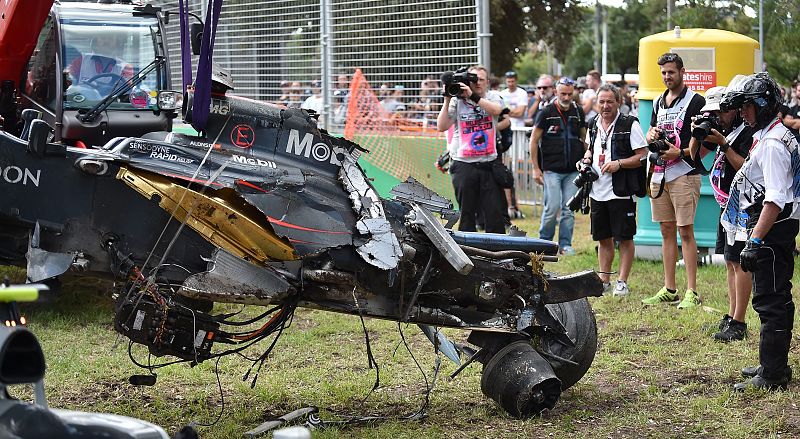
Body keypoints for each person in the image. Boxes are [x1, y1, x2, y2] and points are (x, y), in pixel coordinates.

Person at [719, 72, 800, 391]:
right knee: (777, 296)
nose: (742, 113)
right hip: (777, 225)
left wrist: (754, 240)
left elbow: (776, 197)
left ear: (764, 105)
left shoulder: (772, 144)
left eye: (748, 106)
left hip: (772, 227)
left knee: (770, 298)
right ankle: (773, 362)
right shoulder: (773, 134)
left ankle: (773, 373)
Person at [689, 82, 754, 341]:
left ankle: (739, 321)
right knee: (729, 261)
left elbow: (747, 171)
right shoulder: (721, 130)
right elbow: (692, 157)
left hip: (743, 207)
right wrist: (697, 133)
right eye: (713, 112)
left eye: (722, 110)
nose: (717, 116)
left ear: (736, 110)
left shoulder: (746, 133)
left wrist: (725, 145)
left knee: (740, 263)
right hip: (726, 206)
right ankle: (731, 316)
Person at [640, 53, 706, 309]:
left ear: (682, 72)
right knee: (666, 230)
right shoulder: (658, 101)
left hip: (684, 173)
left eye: (671, 72)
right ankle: (669, 288)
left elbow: (707, 140)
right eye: (664, 73)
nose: (667, 77)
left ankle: (692, 291)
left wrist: (682, 153)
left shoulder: (696, 101)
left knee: (685, 231)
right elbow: (650, 132)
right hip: (660, 172)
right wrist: (650, 134)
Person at [578, 84, 647, 296]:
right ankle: (603, 280)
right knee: (603, 237)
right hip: (597, 190)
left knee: (624, 238)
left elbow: (643, 155)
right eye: (602, 102)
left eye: (610, 101)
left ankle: (622, 281)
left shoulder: (629, 124)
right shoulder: (593, 124)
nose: (605, 106)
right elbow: (590, 151)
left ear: (618, 102)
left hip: (621, 191)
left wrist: (619, 164)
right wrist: (585, 161)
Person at [436, 65, 505, 233]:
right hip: (464, 165)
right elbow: (441, 126)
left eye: (481, 79)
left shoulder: (493, 96)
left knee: (494, 213)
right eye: (473, 79)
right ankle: (468, 254)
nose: (477, 83)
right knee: (467, 213)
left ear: (488, 82)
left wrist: (472, 96)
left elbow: (496, 110)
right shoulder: (457, 100)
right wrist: (447, 98)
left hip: (489, 163)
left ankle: (499, 254)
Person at [529, 76, 587, 254]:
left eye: (570, 93)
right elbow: (534, 140)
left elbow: (584, 138)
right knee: (551, 207)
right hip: (551, 170)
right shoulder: (546, 112)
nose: (567, 97)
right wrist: (536, 168)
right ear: (556, 92)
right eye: (563, 93)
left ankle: (565, 244)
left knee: (569, 209)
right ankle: (544, 243)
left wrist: (587, 159)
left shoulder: (578, 112)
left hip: (572, 170)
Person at [68, 34, 133, 92]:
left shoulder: (125, 67)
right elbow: (68, 84)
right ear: (95, 41)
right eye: (103, 38)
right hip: (82, 104)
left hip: (111, 105)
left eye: (110, 38)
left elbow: (126, 94)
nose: (106, 41)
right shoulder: (81, 61)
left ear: (117, 43)